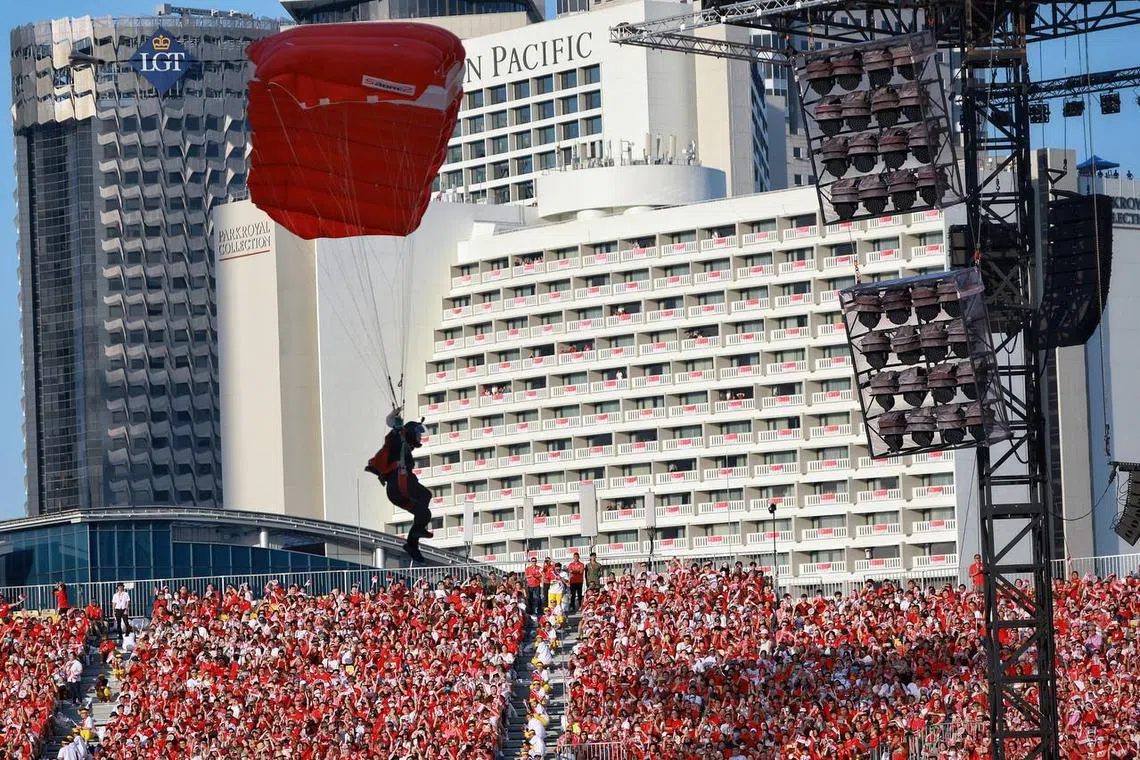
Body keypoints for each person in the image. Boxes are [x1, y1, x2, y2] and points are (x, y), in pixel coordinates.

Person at [365, 408, 433, 562]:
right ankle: (417, 531)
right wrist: (395, 420)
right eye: (418, 434)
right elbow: (392, 430)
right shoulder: (398, 439)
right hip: (399, 485)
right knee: (426, 495)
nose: (419, 437)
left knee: (424, 514)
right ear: (410, 433)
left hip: (398, 490)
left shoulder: (405, 444)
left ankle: (412, 544)